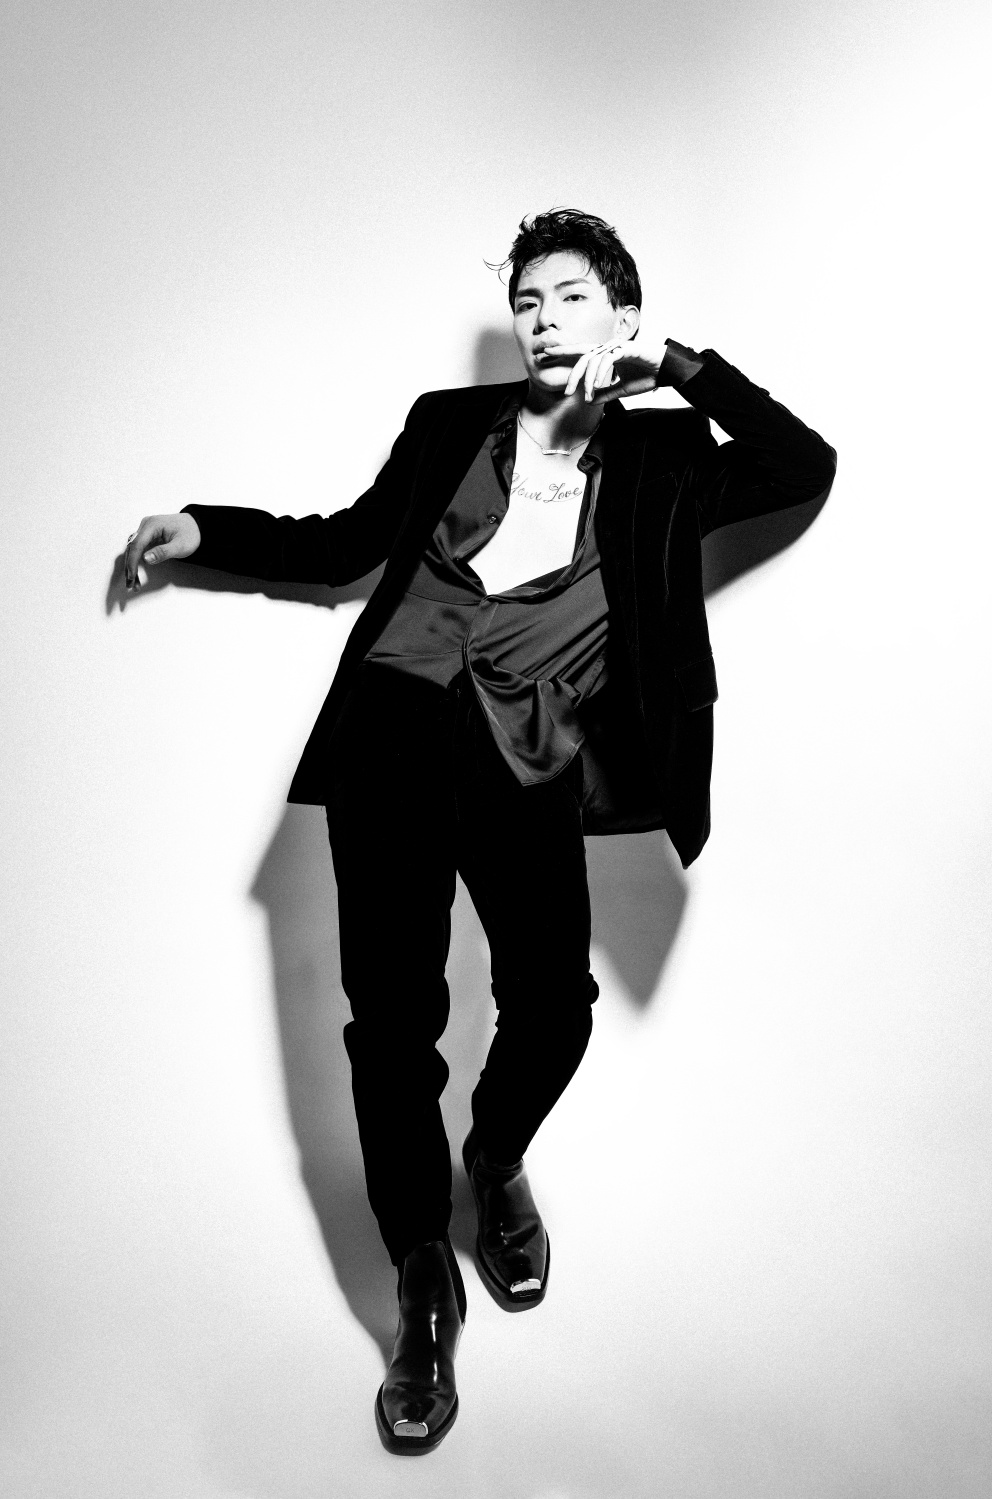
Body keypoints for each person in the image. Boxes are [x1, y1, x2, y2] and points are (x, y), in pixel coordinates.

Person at [122, 209, 836, 1455]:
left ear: (620, 314)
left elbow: (802, 464)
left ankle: (494, 1158)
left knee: (552, 1003)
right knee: (390, 1024)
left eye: (570, 296)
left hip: (528, 754)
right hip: (390, 735)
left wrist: (681, 365)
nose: (542, 318)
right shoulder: (449, 422)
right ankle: (420, 1289)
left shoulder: (667, 453)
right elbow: (346, 545)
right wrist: (204, 529)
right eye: (527, 299)